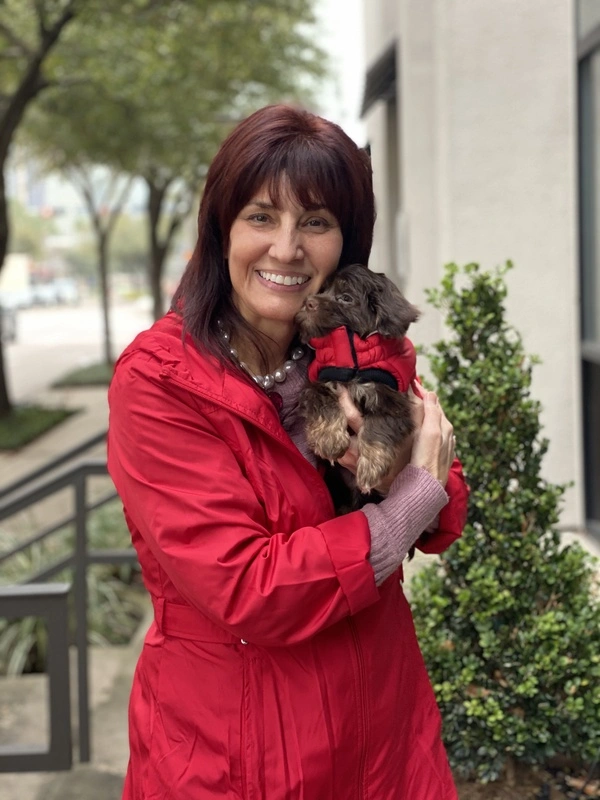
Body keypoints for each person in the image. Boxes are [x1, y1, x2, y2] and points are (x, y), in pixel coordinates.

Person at [107, 104, 468, 800]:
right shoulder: (159, 382)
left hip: (383, 737)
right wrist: (408, 498)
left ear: (347, 241)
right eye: (261, 217)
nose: (286, 249)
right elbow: (248, 587)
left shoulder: (358, 347)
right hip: (239, 755)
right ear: (222, 228)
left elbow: (444, 507)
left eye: (316, 222)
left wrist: (417, 482)